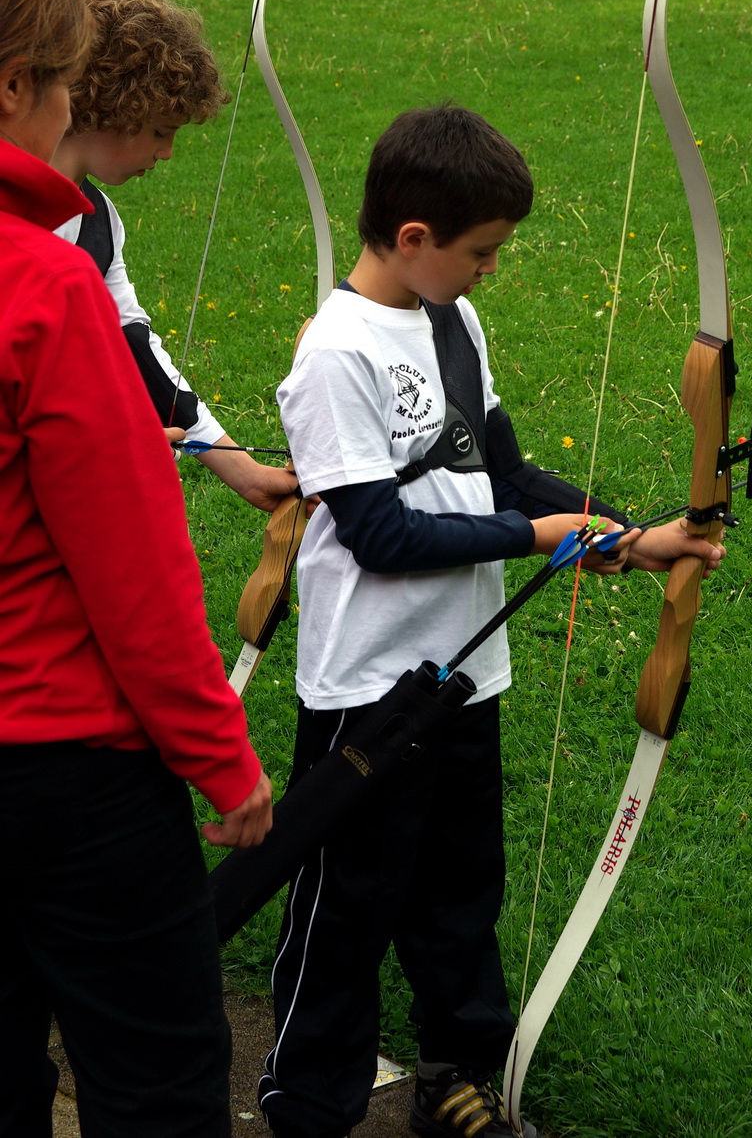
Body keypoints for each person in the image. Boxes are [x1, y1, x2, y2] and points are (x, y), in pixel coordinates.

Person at [259, 104, 724, 1138]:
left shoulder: (450, 320)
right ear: (413, 237)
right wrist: (534, 536)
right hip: (368, 686)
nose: (489, 270)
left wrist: (626, 535)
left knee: (460, 886)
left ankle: (454, 1074)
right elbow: (378, 533)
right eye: (480, 252)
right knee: (346, 905)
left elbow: (502, 473)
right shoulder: (336, 354)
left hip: (465, 673)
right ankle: (308, 1100)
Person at [0, 0, 273, 1137]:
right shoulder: (40, 284)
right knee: (156, 1086)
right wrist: (222, 757)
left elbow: (137, 348)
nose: (75, 108)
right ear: (20, 86)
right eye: (63, 82)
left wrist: (223, 454)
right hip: (62, 770)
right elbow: (134, 574)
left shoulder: (76, 251)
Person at [50, 0, 296, 514]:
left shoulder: (98, 223)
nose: (166, 153)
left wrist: (245, 473)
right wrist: (90, 446)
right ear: (113, 108)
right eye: (161, 131)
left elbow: (132, 346)